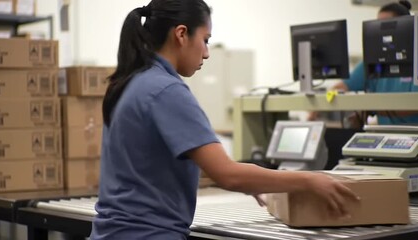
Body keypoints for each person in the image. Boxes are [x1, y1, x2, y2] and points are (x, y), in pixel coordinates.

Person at [90, 0, 359, 239]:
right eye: (205, 39)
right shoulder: (166, 90)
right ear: (182, 34)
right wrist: (311, 181)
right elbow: (228, 175)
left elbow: (159, 160)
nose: (207, 53)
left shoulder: (132, 82)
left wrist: (253, 179)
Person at [309, 0, 418, 126]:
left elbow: (413, 105)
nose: (380, 31)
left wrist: (371, 108)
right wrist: (320, 105)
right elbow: (340, 87)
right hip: (385, 136)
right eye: (377, 25)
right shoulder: (371, 62)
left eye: (386, 25)